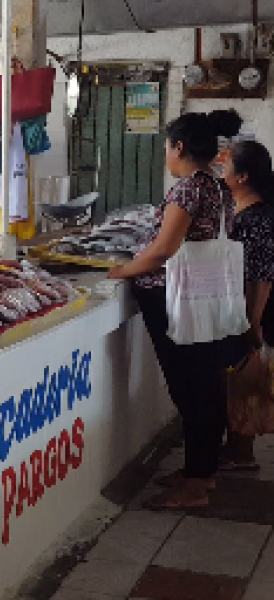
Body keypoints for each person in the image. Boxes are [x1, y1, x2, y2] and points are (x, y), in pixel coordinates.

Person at [107, 109, 244, 510]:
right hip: (206, 296)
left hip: (176, 299)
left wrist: (118, 271)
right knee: (204, 383)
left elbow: (163, 251)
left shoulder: (187, 189)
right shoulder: (218, 187)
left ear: (179, 147)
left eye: (167, 146)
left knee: (191, 390)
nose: (166, 153)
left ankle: (197, 483)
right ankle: (200, 472)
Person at [221, 140, 274, 470]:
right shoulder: (240, 211)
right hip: (237, 307)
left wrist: (253, 323)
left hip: (253, 309)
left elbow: (261, 276)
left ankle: (242, 454)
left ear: (241, 177)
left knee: (245, 381)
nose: (221, 171)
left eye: (226, 167)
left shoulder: (257, 219)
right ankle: (236, 449)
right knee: (235, 380)